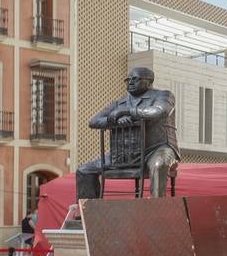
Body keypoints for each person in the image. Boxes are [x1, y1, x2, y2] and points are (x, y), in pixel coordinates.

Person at [75, 66, 179, 200]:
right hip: (124, 154)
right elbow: (93, 121)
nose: (130, 82)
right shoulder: (121, 102)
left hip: (157, 148)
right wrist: (116, 119)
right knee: (84, 170)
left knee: (158, 165)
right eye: (127, 80)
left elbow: (159, 111)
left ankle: (157, 210)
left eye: (135, 79)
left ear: (149, 81)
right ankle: (87, 212)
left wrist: (128, 112)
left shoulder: (164, 95)